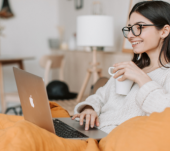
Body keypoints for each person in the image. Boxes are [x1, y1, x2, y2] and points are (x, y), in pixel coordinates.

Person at [72, 1, 170, 134]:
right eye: (129, 28)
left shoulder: (164, 74)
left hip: (113, 139)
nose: (130, 35)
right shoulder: (131, 67)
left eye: (139, 27)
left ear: (164, 31)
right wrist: (89, 109)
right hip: (92, 130)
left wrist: (142, 79)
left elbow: (165, 111)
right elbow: (99, 97)